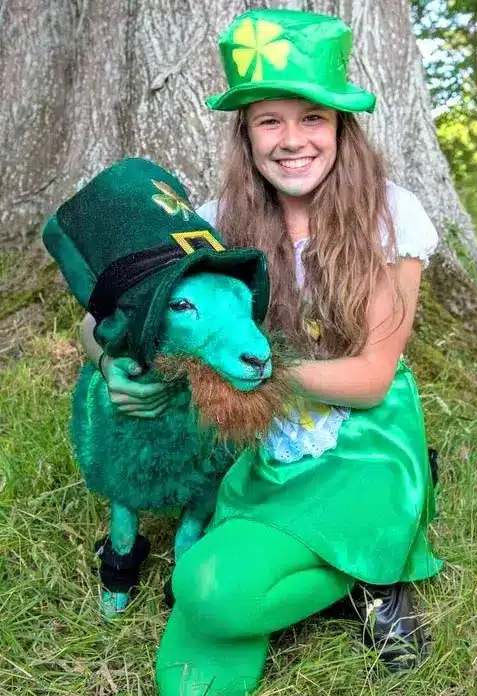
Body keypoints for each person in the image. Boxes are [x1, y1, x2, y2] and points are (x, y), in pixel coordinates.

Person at [79, 8, 443, 695]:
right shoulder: (211, 226)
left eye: (312, 117)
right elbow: (105, 318)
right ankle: (347, 573)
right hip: (256, 446)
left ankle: (374, 571)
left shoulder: (390, 214)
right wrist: (108, 363)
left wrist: (233, 366)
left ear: (341, 128)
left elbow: (369, 378)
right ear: (244, 136)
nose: (291, 140)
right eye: (267, 121)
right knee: (205, 591)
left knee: (221, 587)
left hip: (362, 445)